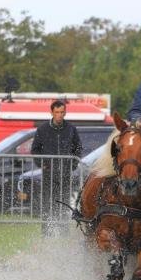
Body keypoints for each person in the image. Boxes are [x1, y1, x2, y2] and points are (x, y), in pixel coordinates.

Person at [31, 100, 82, 237]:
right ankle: (46, 233)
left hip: (65, 174)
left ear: (65, 112)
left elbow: (78, 148)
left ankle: (64, 232)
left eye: (62, 112)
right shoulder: (42, 129)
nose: (60, 115)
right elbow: (35, 149)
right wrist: (41, 163)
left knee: (64, 204)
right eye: (57, 112)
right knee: (48, 204)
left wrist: (73, 164)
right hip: (49, 174)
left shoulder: (71, 129)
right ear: (52, 112)